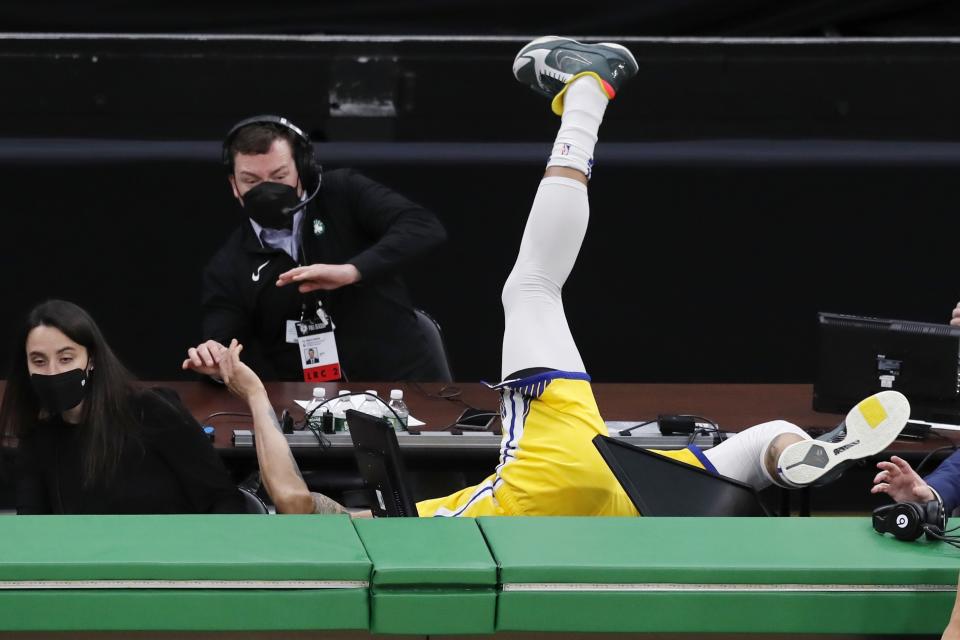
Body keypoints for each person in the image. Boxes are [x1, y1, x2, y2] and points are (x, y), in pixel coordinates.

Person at [185, 36, 910, 517]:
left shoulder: (384, 528)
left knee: (751, 447)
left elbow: (291, 501)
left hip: (621, 507)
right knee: (530, 286)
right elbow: (289, 497)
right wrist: (247, 385)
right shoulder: (397, 527)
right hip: (546, 474)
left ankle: (794, 454)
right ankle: (587, 96)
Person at [196, 114, 448, 383]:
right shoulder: (228, 265)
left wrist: (352, 271)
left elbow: (423, 226)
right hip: (309, 405)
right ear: (234, 186)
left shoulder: (342, 192)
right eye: (251, 181)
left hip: (404, 384)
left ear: (301, 171)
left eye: (279, 175)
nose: (267, 190)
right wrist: (215, 358)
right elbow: (223, 341)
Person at [1, 300, 244, 515]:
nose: (53, 371)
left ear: (92, 360)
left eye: (66, 358)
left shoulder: (151, 410)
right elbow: (33, 533)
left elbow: (223, 500)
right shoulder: (36, 440)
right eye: (39, 361)